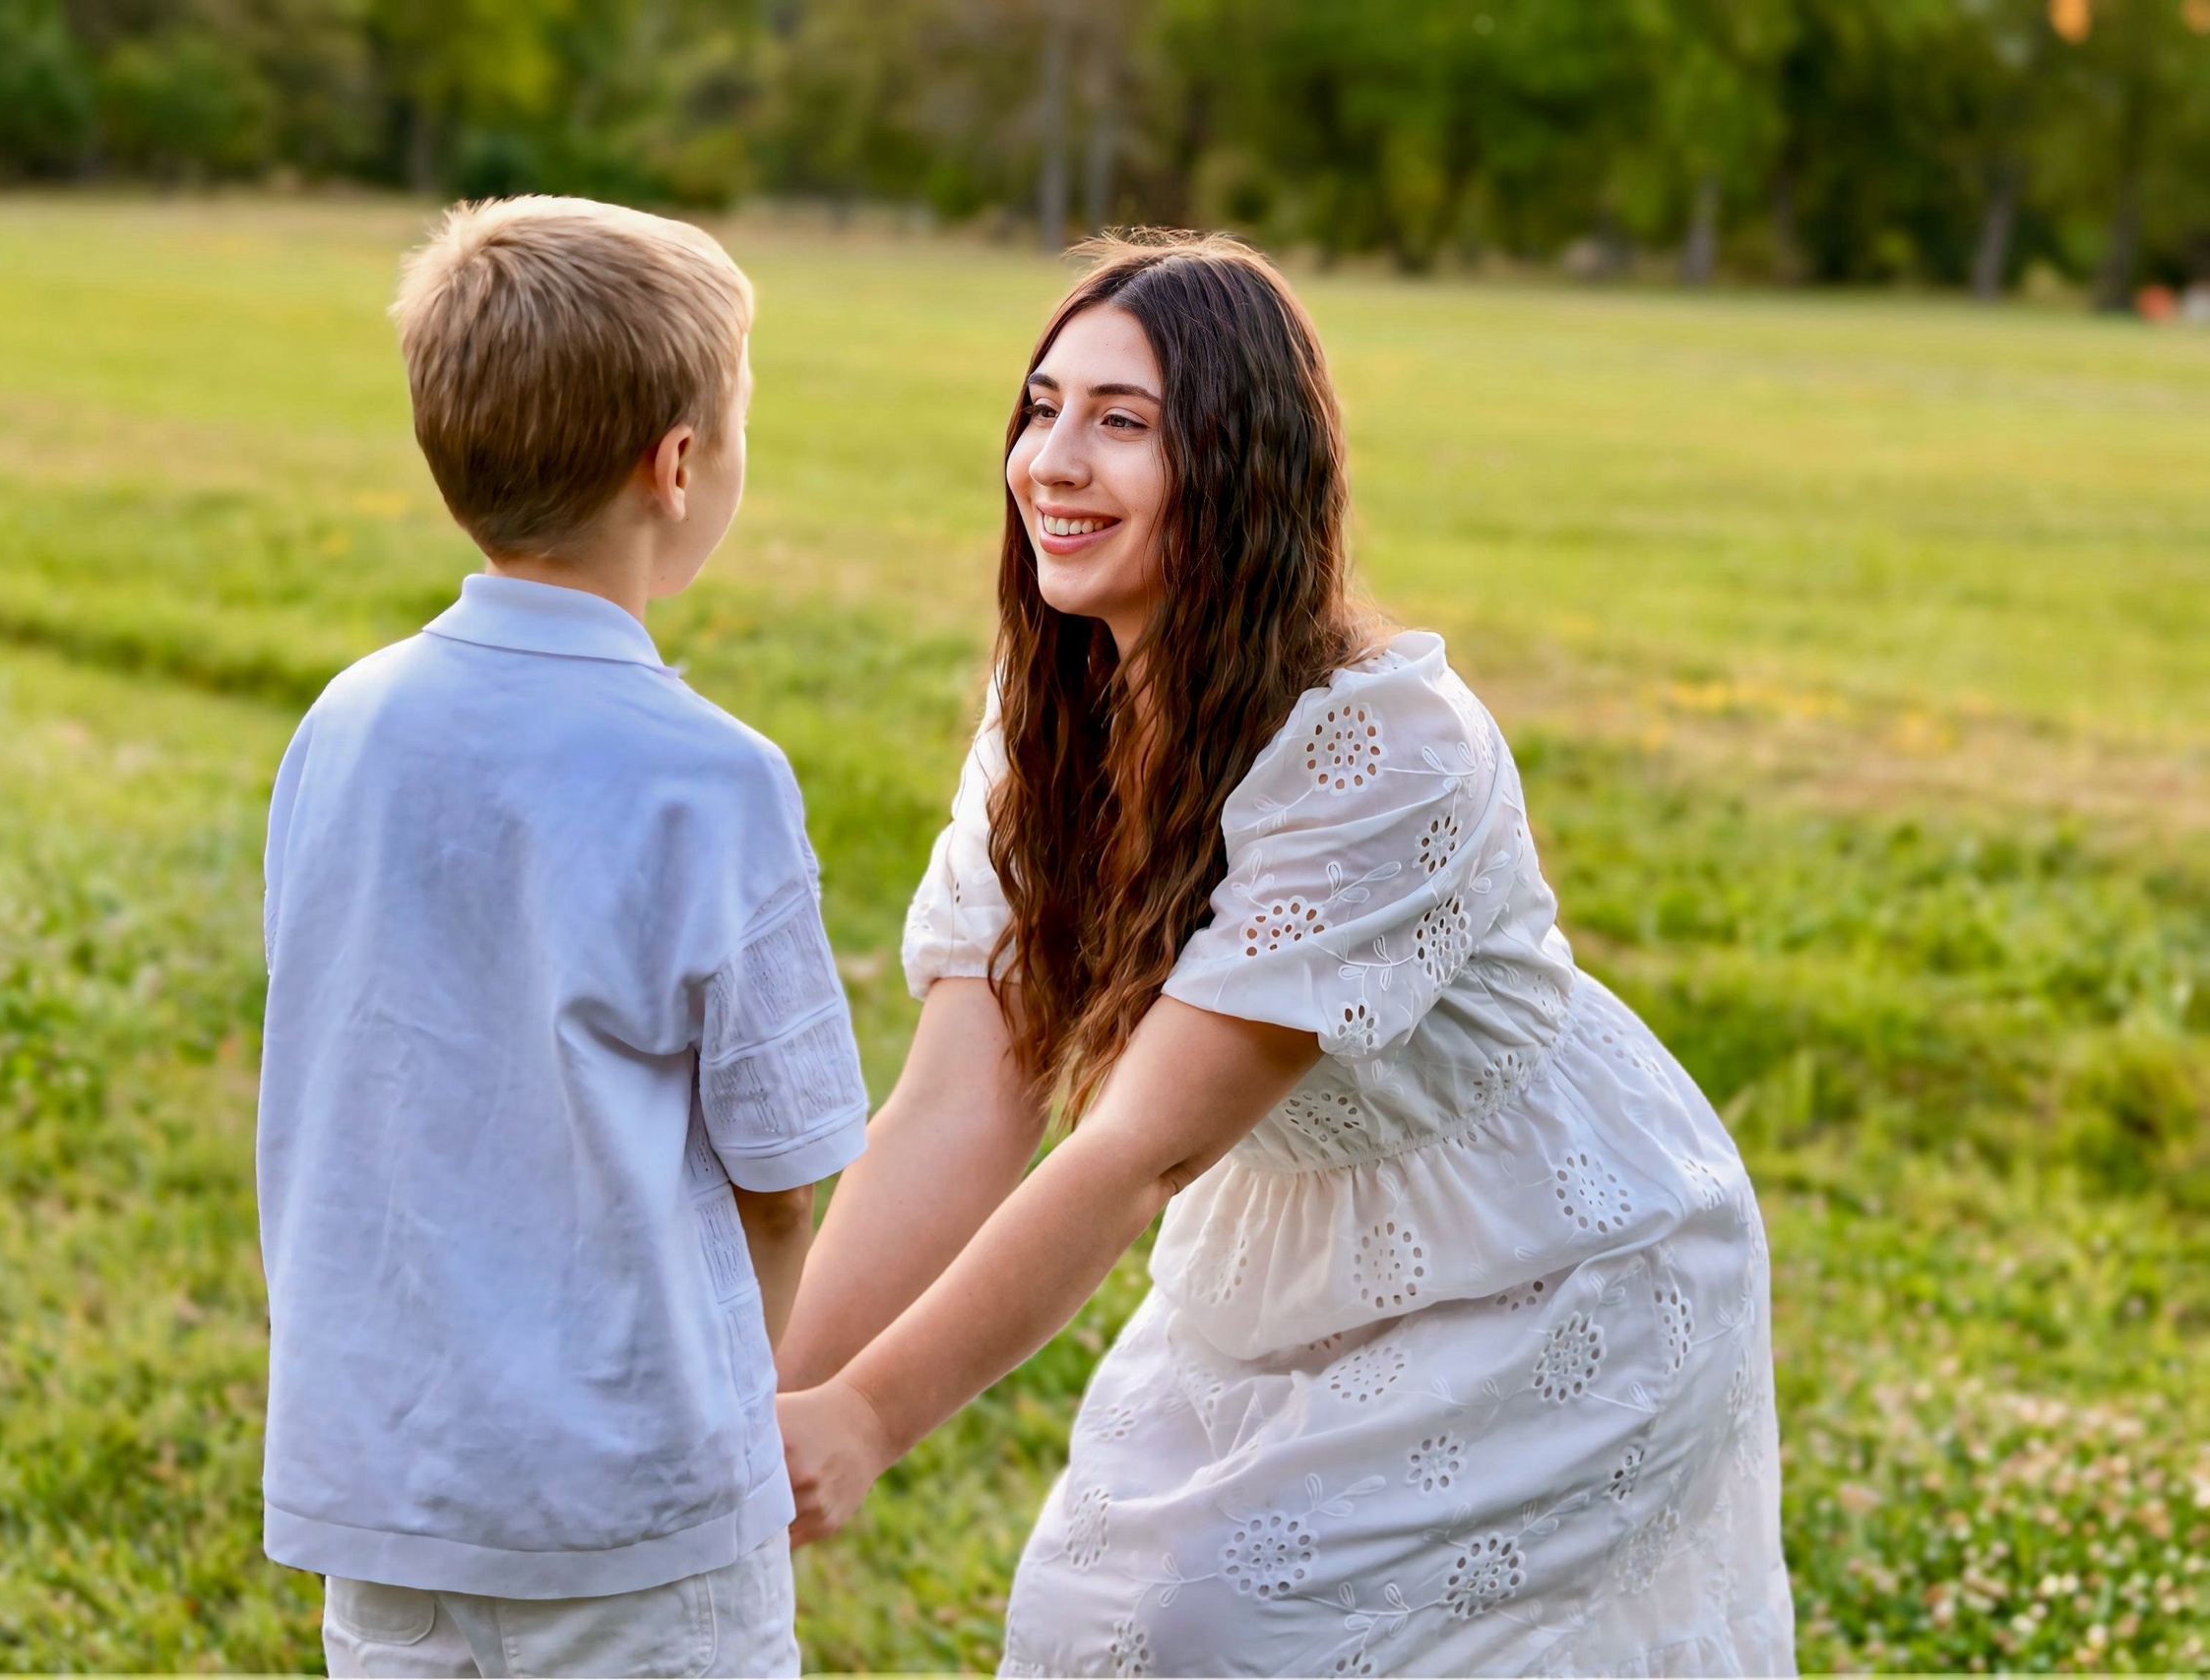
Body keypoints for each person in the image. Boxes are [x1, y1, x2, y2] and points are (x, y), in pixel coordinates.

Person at [776, 232, 1795, 1676]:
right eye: (1042, 406)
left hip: (1553, 1269)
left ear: (1240, 465)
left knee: (1229, 1627)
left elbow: (1134, 1151)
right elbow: (960, 1103)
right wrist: (761, 1400)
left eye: (1120, 423)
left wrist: (871, 1419)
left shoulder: (1387, 746)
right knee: (1100, 1622)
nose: (1052, 460)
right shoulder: (1051, 705)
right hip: (1290, 1243)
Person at [256, 196, 867, 1679]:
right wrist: (729, 1397)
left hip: (384, 1483)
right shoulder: (710, 777)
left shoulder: (344, 723)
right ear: (677, 466)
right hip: (635, 1518)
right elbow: (784, 1177)